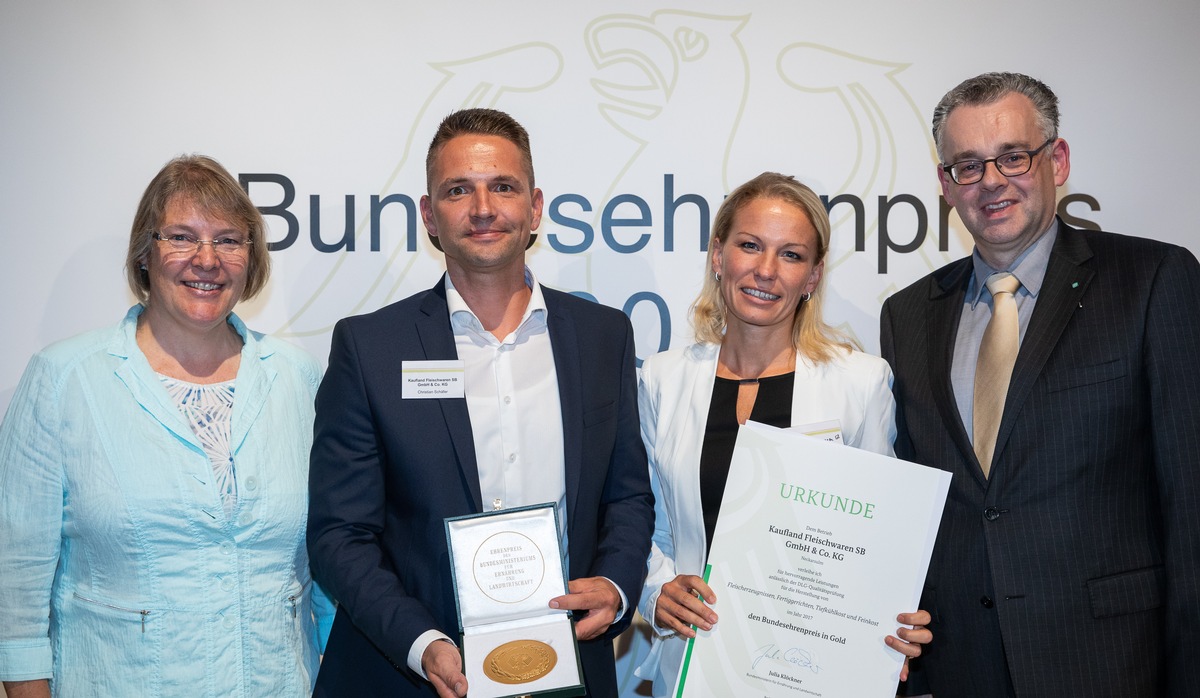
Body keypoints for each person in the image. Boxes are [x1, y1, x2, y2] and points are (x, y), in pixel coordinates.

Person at [307, 108, 655, 698]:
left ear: (536, 206)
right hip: (413, 675)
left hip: (567, 667)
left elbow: (626, 494)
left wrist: (617, 585)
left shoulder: (603, 337)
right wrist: (422, 643)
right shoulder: (371, 348)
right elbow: (340, 535)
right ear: (429, 217)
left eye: (503, 186)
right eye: (458, 190)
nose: (483, 207)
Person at [880, 71, 1200, 697]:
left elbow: (1190, 505)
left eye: (1013, 157)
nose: (991, 182)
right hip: (960, 668)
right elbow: (913, 504)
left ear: (1057, 159)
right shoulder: (908, 314)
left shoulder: (1153, 280)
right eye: (967, 166)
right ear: (945, 186)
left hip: (1113, 666)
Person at [0, 155, 334, 698]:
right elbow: (16, 597)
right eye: (181, 237)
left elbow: (324, 570)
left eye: (229, 240)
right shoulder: (64, 379)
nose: (207, 260)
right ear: (144, 254)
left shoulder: (299, 381)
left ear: (252, 260)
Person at [635, 172, 931, 697]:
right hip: (698, 665)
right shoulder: (661, 378)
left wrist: (891, 622)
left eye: (791, 255)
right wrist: (656, 591)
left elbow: (880, 543)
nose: (765, 271)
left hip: (819, 672)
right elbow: (648, 524)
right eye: (749, 246)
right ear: (717, 255)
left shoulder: (860, 382)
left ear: (814, 276)